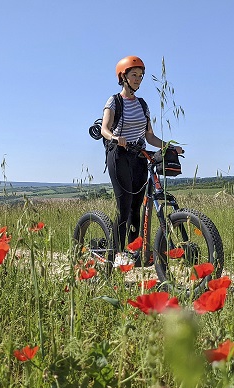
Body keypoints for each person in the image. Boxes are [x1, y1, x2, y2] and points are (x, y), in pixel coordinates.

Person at [100, 55, 183, 264]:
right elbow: (104, 129)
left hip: (139, 156)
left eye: (140, 76)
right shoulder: (114, 101)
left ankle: (134, 250)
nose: (138, 79)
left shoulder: (143, 104)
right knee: (124, 204)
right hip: (118, 155)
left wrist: (169, 147)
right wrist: (115, 138)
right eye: (134, 75)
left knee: (137, 205)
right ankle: (117, 253)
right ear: (123, 77)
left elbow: (149, 136)